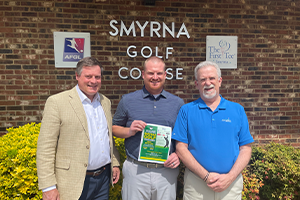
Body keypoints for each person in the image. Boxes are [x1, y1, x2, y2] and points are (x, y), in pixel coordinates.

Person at [36, 57, 120, 200]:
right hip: (72, 182)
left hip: (103, 180)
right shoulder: (57, 102)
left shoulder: (105, 102)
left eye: (97, 77)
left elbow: (107, 136)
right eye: (88, 76)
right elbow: (45, 147)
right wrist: (48, 186)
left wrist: (115, 162)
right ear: (77, 76)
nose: (93, 81)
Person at [172, 61, 254, 200]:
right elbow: (181, 148)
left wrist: (229, 178)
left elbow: (245, 148)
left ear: (220, 81)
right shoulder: (186, 110)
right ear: (197, 84)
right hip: (196, 185)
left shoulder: (237, 110)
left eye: (212, 78)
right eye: (202, 79)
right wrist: (205, 176)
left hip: (230, 185)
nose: (207, 83)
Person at [112, 56, 185, 200]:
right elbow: (114, 128)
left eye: (159, 73)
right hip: (136, 169)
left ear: (165, 75)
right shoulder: (127, 100)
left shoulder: (177, 103)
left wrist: (178, 155)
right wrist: (129, 131)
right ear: (143, 74)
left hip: (166, 170)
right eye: (151, 73)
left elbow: (183, 135)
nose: (155, 77)